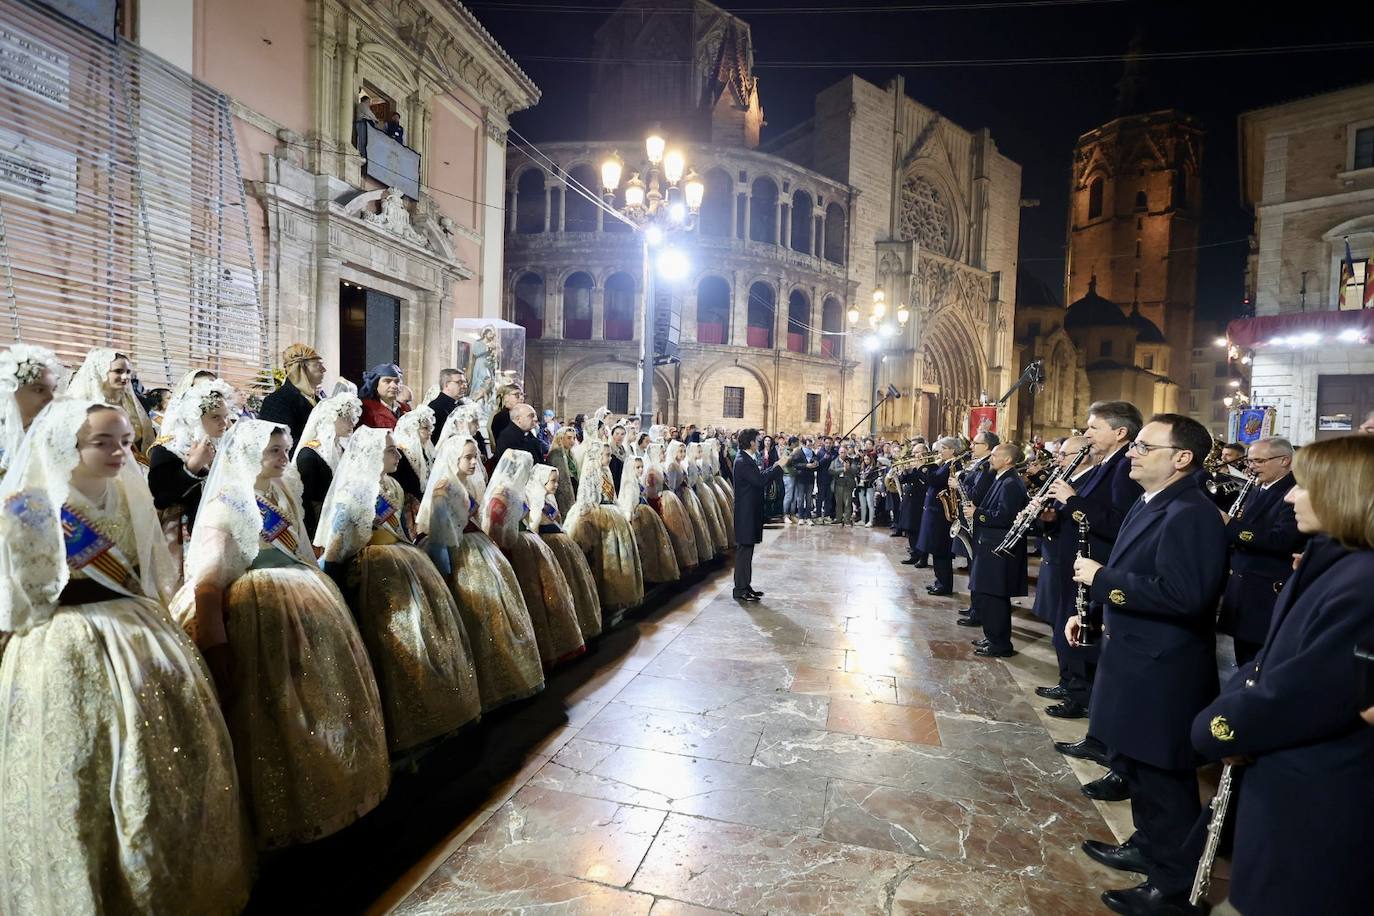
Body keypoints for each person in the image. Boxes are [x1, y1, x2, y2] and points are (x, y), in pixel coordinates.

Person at [0, 400, 253, 914]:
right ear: (65, 446)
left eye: (123, 440)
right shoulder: (31, 505)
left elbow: (144, 571)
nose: (119, 451)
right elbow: (18, 593)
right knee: (79, 771)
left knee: (158, 764)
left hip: (140, 637)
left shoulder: (125, 493)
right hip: (65, 645)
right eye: (102, 442)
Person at [176, 419, 390, 849]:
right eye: (274, 451)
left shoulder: (281, 492)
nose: (283, 458)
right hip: (253, 606)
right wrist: (215, 646)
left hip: (301, 596)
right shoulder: (227, 504)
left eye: (284, 449)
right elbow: (208, 583)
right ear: (248, 454)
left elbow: (302, 547)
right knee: (266, 706)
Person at [1190, 435, 1374, 916]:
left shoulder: (1361, 583)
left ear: (1346, 496)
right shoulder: (1333, 563)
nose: (1291, 495)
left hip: (1316, 787)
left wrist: (1218, 727)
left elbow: (1306, 691)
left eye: (1305, 487)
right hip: (1284, 772)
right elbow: (1271, 658)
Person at [1069, 413, 1226, 915]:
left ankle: (1175, 888)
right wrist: (1091, 613)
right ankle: (1148, 846)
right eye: (1134, 444)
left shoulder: (1192, 513)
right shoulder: (1150, 501)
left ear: (1182, 458)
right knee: (1135, 766)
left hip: (1164, 670)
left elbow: (1186, 596)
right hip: (1133, 656)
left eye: (1144, 445)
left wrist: (1100, 580)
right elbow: (1132, 569)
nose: (1132, 452)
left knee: (1164, 778)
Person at [316, 427, 481, 754]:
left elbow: (402, 530)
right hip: (376, 569)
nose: (397, 456)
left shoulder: (391, 485)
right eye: (391, 451)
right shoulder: (355, 490)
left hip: (403, 561)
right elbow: (338, 544)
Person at [417, 434, 544, 710]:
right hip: (460, 553)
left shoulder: (460, 483)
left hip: (478, 548)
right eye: (468, 457)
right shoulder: (444, 488)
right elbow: (441, 534)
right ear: (454, 459)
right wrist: (446, 572)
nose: (474, 462)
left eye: (475, 456)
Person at [1045, 400, 1144, 744]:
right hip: (1077, 560)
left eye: (1093, 427)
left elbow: (1117, 522)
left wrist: (1071, 500)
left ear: (1119, 432)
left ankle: (1083, 698)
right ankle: (1076, 689)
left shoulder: (1122, 469)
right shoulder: (1108, 464)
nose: (1086, 434)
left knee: (1084, 637)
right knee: (1069, 627)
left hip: (1097, 565)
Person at [482, 450, 586, 668]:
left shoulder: (515, 492)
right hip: (516, 547)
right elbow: (494, 528)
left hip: (525, 543)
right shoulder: (503, 492)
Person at [1216, 436, 1305, 666]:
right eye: (1251, 461)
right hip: (1242, 584)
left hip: (1266, 589)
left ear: (1285, 460)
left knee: (1259, 662)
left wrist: (1230, 526)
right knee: (1242, 657)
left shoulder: (1294, 491)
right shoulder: (1258, 487)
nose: (1252, 467)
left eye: (1259, 461)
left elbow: (1282, 539)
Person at [1031, 435, 1096, 704]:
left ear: (1083, 456)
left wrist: (1068, 502)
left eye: (1064, 455)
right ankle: (1066, 680)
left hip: (1078, 562)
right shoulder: (1070, 481)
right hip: (1060, 557)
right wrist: (1048, 518)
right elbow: (1062, 523)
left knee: (1072, 625)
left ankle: (1077, 690)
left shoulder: (1087, 482)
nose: (1058, 459)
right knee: (1061, 624)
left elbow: (1090, 519)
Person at [147, 379, 234, 572]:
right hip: (181, 533)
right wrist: (193, 466)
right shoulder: (169, 448)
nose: (224, 423)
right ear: (194, 417)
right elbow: (161, 498)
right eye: (215, 417)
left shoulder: (225, 445)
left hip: (221, 528)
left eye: (226, 416)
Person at [564, 441, 644, 615]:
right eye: (606, 455)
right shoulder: (591, 472)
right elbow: (588, 498)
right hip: (598, 515)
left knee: (617, 556)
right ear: (597, 456)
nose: (609, 457)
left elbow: (612, 495)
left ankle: (617, 594)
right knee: (602, 558)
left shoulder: (606, 471)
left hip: (612, 513)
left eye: (609, 454)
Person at [526, 464, 602, 643]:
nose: (556, 485)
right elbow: (534, 525)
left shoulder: (550, 498)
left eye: (556, 481)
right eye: (552, 481)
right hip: (549, 541)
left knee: (575, 579)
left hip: (560, 539)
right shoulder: (537, 499)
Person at [966, 443, 1029, 658]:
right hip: (990, 546)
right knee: (988, 596)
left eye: (994, 455)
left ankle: (1000, 643)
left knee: (995, 597)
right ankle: (992, 636)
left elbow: (1006, 517)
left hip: (998, 550)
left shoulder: (1011, 483)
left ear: (1008, 460)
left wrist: (977, 513)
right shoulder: (1001, 478)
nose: (990, 458)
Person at [731, 427, 789, 602]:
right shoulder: (742, 461)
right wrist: (778, 467)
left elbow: (759, 476)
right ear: (750, 443)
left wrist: (774, 466)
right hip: (745, 513)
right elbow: (760, 480)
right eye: (757, 440)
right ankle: (740, 589)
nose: (759, 442)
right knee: (744, 551)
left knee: (748, 550)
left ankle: (745, 585)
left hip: (751, 512)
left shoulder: (748, 459)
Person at [293, 393, 362, 541]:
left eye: (353, 417)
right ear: (329, 419)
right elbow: (306, 502)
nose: (352, 422)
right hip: (319, 528)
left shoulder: (341, 449)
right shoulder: (309, 455)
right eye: (345, 417)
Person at [65, 348, 156, 459]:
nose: (125, 377)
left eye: (128, 372)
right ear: (101, 372)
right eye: (118, 371)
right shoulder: (78, 408)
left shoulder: (130, 405)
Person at [0, 342, 63, 474]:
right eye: (39, 390)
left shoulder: (55, 434)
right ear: (12, 389)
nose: (51, 398)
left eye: (53, 389)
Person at [618, 453, 680, 586]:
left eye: (641, 467)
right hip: (637, 517)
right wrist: (629, 519)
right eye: (637, 468)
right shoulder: (630, 485)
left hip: (644, 515)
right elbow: (629, 503)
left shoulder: (637, 482)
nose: (641, 470)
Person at [258, 343, 326, 451]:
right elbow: (283, 444)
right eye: (317, 365)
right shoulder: (278, 400)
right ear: (300, 369)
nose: (324, 369)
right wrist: (321, 444)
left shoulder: (317, 400)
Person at [916, 437, 962, 596]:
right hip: (935, 511)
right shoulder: (945, 464)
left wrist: (922, 467)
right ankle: (939, 581)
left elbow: (935, 480)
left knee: (941, 550)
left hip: (942, 514)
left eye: (943, 448)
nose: (940, 451)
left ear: (952, 450)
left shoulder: (953, 464)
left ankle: (944, 585)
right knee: (936, 550)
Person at [647, 440, 699, 574]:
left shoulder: (666, 466)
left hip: (671, 497)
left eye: (664, 452)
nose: (663, 455)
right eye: (661, 453)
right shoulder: (660, 469)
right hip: (665, 498)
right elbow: (664, 486)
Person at [667, 439, 714, 561]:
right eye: (680, 451)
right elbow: (672, 486)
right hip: (680, 496)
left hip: (687, 495)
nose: (683, 454)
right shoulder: (672, 466)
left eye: (683, 451)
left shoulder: (681, 465)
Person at [359, 363, 409, 430]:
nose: (394, 386)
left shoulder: (405, 408)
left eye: (397, 381)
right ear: (376, 384)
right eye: (387, 381)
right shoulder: (366, 409)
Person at [427, 368, 469, 445]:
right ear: (446, 385)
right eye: (459, 382)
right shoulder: (435, 408)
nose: (464, 386)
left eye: (465, 382)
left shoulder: (461, 404)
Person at [546, 425, 579, 517]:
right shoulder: (555, 454)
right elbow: (561, 479)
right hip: (560, 492)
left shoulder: (571, 454)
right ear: (561, 438)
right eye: (568, 438)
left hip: (573, 488)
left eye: (574, 438)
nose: (572, 441)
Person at [830, 444, 858, 526]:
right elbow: (831, 471)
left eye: (844, 452)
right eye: (841, 452)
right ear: (839, 452)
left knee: (847, 503)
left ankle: (847, 519)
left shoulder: (851, 461)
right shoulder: (834, 461)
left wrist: (849, 468)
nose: (843, 454)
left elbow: (855, 471)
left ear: (846, 453)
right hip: (838, 484)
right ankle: (838, 518)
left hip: (847, 485)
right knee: (838, 503)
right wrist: (842, 469)